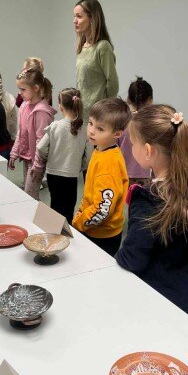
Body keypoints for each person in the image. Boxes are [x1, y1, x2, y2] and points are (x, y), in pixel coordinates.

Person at [115, 105, 188, 318]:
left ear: (148, 151)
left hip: (159, 298)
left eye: (132, 143)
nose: (130, 148)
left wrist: (117, 256)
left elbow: (133, 258)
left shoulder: (146, 199)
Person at [72, 97, 130, 256]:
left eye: (100, 129)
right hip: (92, 227)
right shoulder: (100, 150)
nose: (91, 130)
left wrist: (78, 223)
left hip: (102, 235)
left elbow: (102, 209)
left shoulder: (108, 164)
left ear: (117, 133)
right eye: (90, 123)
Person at [34, 88, 87, 224]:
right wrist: (80, 166)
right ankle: (66, 230)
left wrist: (48, 157)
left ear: (60, 106)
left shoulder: (55, 126)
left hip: (53, 174)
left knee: (55, 204)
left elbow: (40, 147)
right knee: (69, 207)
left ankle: (54, 230)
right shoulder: (84, 128)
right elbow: (88, 155)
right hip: (72, 175)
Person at [9, 67, 56, 200]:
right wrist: (14, 153)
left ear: (35, 88)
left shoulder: (42, 112)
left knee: (30, 195)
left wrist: (38, 165)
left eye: (23, 89)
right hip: (27, 158)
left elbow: (42, 142)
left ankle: (36, 214)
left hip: (36, 161)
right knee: (29, 194)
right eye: (19, 89)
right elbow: (21, 132)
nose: (20, 93)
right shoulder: (24, 106)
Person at [74, 0, 119, 117]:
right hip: (81, 114)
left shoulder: (103, 47)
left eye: (79, 16)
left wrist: (105, 111)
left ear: (92, 19)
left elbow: (113, 83)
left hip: (99, 116)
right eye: (74, 16)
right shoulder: (82, 47)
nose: (74, 21)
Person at [118, 77, 154, 186]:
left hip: (123, 174)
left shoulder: (121, 120)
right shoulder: (152, 122)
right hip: (145, 174)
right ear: (150, 100)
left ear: (129, 99)